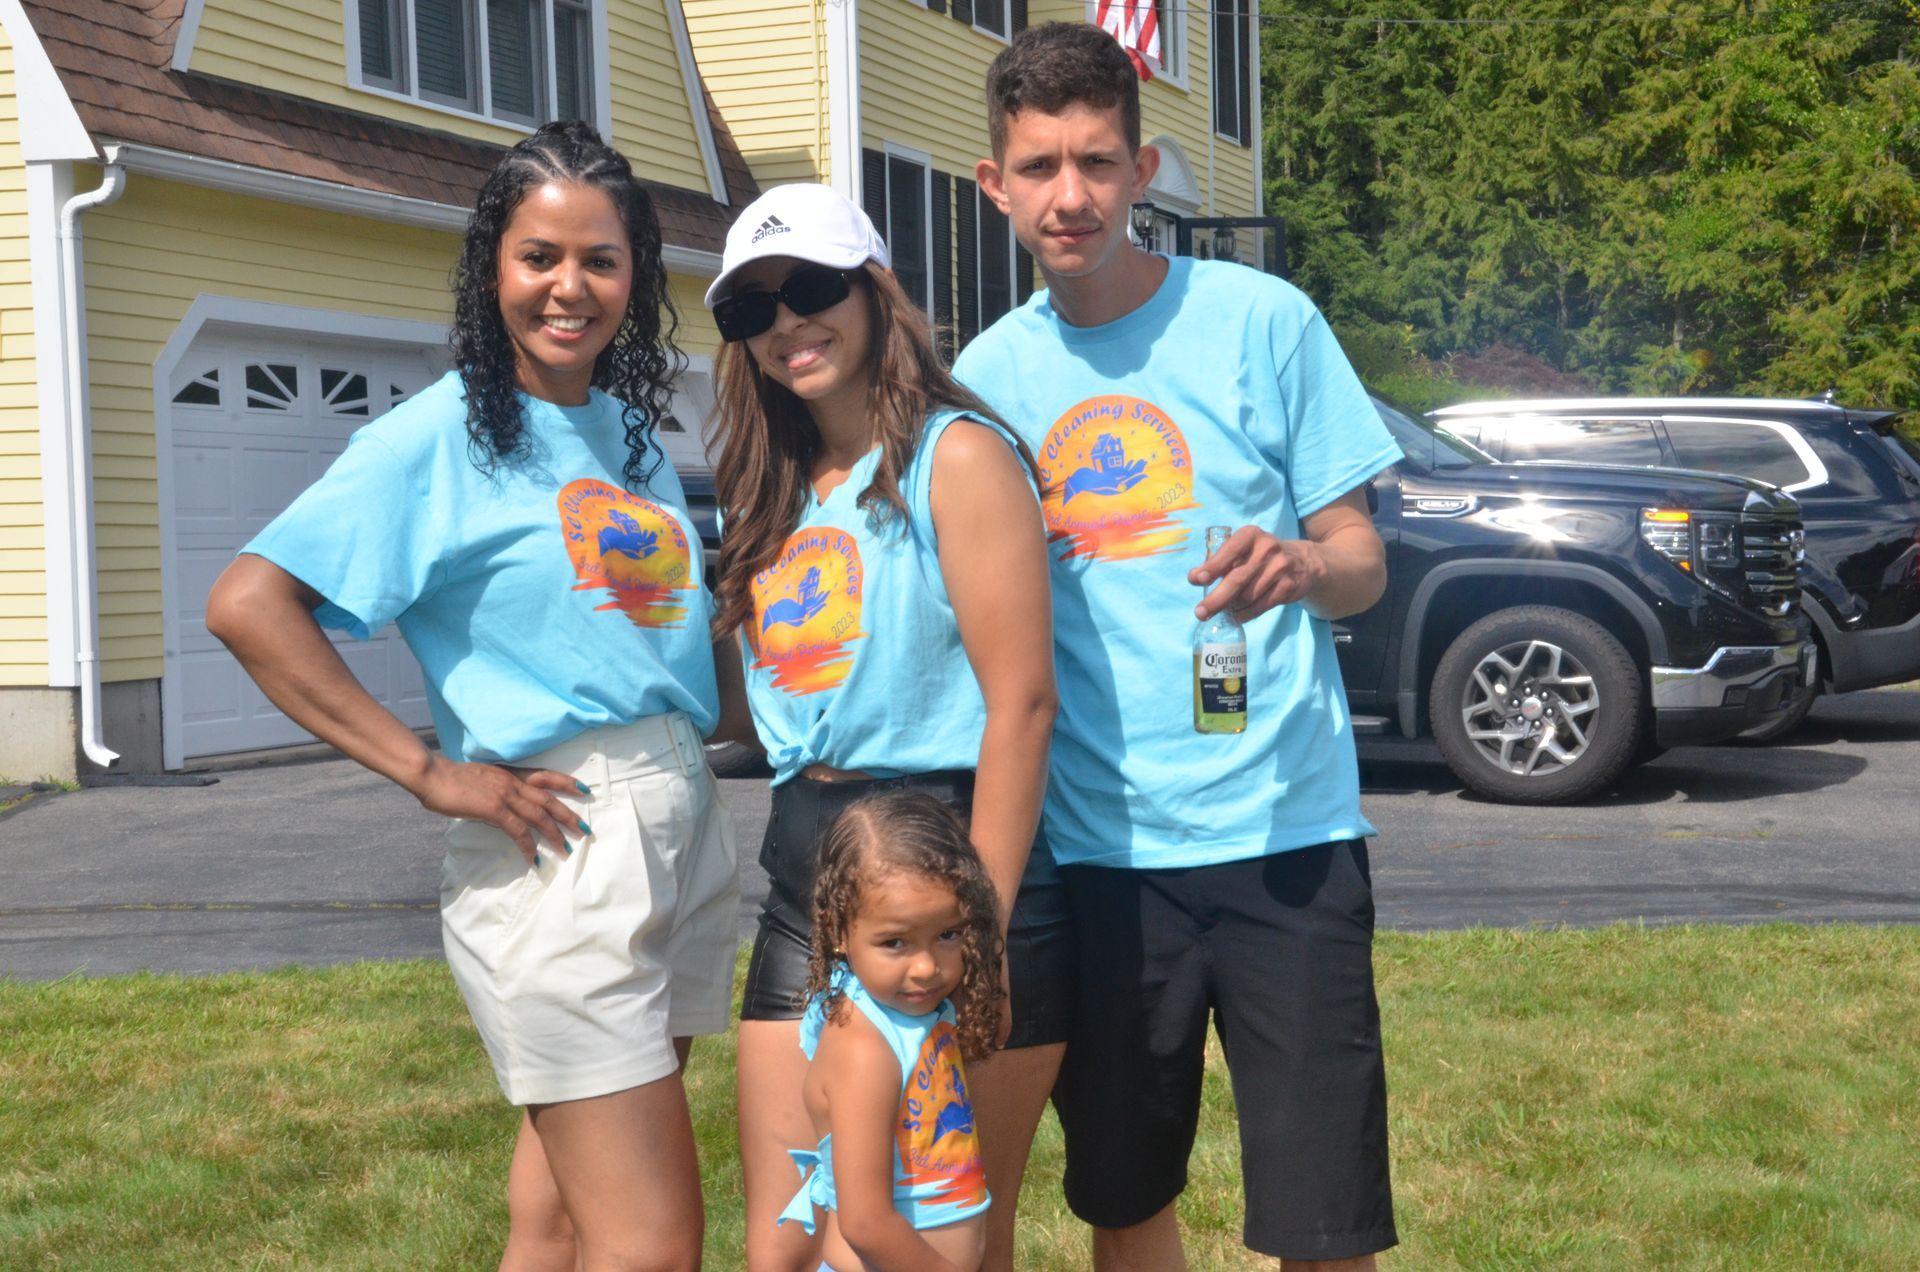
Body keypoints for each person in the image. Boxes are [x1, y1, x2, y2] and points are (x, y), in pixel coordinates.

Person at [205, 121, 738, 1272]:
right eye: (539, 255)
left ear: (636, 276)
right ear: (491, 264)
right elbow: (250, 603)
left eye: (600, 259)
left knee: (556, 1219)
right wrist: (428, 770)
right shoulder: (437, 437)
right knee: (652, 1246)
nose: (570, 287)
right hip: (565, 847)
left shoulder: (628, 435)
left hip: (680, 821)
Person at [951, 23, 1404, 1271]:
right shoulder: (986, 380)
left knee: (1323, 1221)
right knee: (1124, 1203)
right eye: (1038, 167)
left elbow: (1363, 562)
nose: (1070, 195)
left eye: (1097, 162)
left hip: (1288, 846)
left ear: (1144, 171)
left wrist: (1303, 566)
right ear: (994, 183)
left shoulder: (1266, 320)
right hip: (1102, 859)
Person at [701, 182, 1063, 1272]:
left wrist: (973, 936)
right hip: (801, 882)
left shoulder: (957, 456)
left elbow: (1024, 703)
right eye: (750, 307)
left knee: (950, 1242)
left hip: (949, 880)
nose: (784, 323)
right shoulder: (761, 489)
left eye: (810, 287)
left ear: (876, 292)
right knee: (793, 1238)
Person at [776, 792, 1003, 1272]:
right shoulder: (865, 1050)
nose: (926, 967)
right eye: (894, 942)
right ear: (838, 931)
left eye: (948, 934)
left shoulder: (920, 1013)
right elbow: (865, 1222)